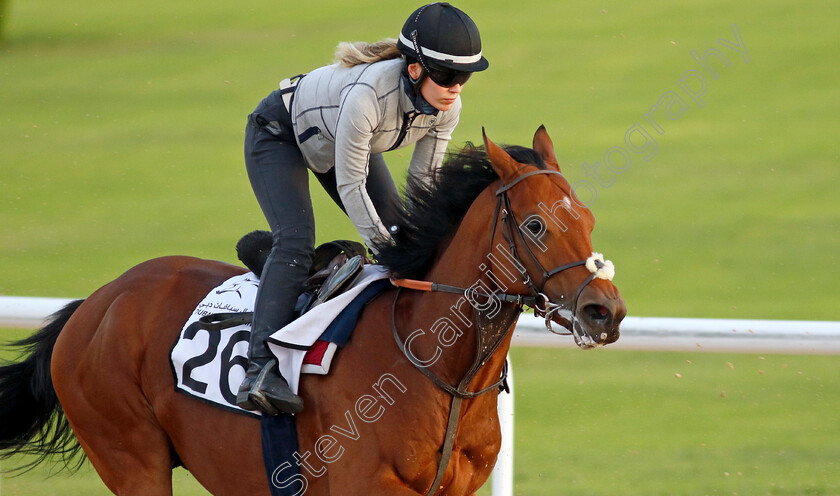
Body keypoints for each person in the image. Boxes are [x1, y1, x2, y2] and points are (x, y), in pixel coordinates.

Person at [238, 2, 489, 415]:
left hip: (340, 141)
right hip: (278, 133)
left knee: (404, 236)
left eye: (463, 77)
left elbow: (424, 187)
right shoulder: (368, 97)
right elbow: (350, 184)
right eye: (446, 76)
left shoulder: (448, 109)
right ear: (414, 70)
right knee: (297, 241)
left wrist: (418, 248)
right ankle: (260, 367)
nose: (455, 87)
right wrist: (389, 253)